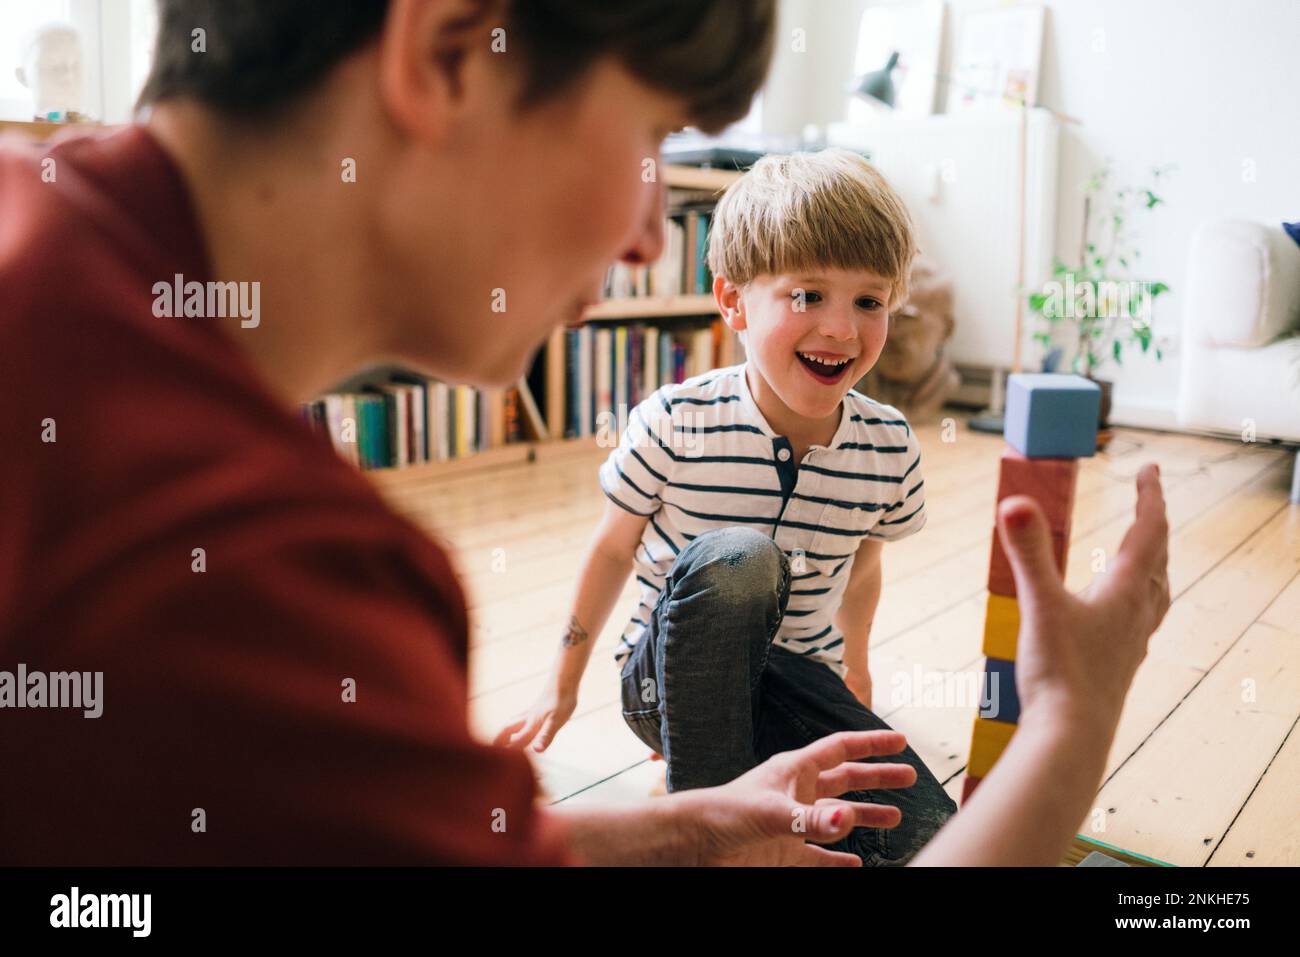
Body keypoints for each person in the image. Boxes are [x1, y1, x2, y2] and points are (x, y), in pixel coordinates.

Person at [0, 0, 1171, 867]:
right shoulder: (264, 563)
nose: (647, 230)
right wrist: (1071, 722)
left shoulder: (38, 224)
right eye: (652, 136)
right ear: (450, 53)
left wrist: (704, 820)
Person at [498, 149, 959, 865]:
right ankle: (704, 821)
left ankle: (737, 793)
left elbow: (863, 566)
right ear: (733, 299)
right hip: (666, 684)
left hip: (795, 687)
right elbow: (612, 549)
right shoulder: (676, 420)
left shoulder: (889, 446)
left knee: (927, 836)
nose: (841, 328)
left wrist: (854, 678)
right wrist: (559, 686)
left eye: (868, 301)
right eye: (807, 296)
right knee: (743, 558)